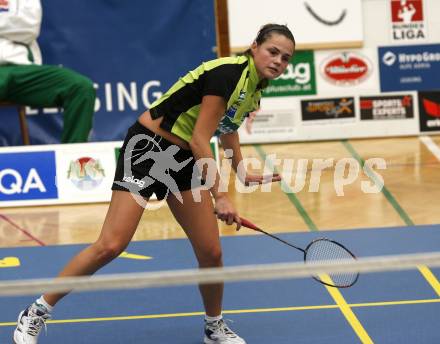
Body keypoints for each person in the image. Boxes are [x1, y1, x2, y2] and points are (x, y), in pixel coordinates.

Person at [13, 23, 295, 344]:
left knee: (211, 251)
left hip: (184, 159)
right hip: (149, 147)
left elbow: (227, 128)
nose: (278, 61)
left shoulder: (255, 88)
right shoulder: (228, 73)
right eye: (273, 52)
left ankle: (213, 327)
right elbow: (203, 139)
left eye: (285, 58)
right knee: (111, 244)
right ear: (255, 46)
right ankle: (35, 312)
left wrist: (242, 170)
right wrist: (222, 195)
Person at [0, 0, 95, 144]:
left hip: (22, 69)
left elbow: (29, 27)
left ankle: (73, 160)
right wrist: (9, 23)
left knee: (80, 87)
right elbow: (18, 25)